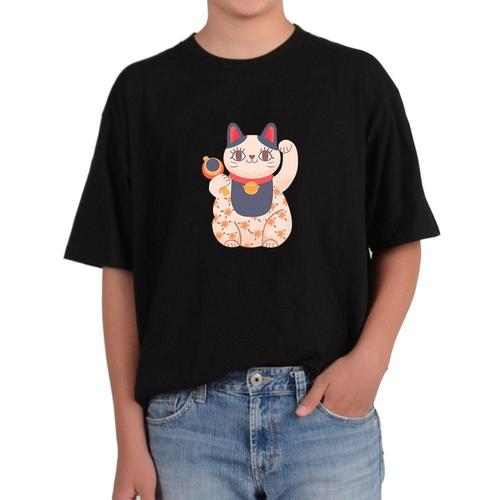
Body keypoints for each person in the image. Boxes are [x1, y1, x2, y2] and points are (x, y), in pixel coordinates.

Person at [64, 1, 440, 498]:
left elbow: (400, 239)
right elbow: (120, 272)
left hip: (325, 418)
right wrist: (128, 436)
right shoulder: (141, 93)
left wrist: (371, 361)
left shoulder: (357, 82)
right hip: (186, 429)